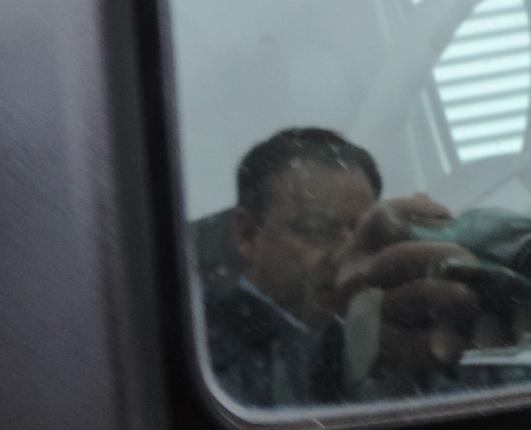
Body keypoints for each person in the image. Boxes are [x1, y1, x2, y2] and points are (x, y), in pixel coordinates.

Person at [194, 128, 485, 407]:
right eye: (316, 229)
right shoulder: (200, 347)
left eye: (365, 233)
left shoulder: (399, 321)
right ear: (247, 235)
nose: (347, 254)